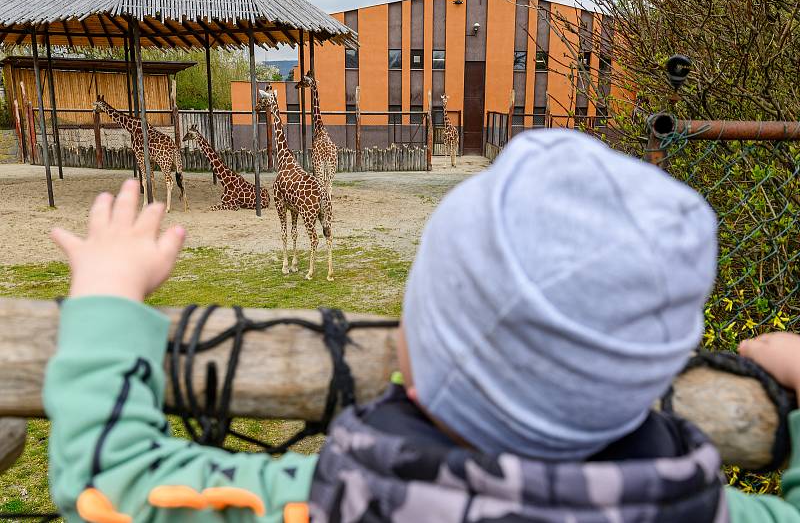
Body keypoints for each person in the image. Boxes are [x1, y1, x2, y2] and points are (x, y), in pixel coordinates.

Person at [44, 129, 800, 523]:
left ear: (410, 343)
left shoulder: (329, 499)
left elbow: (110, 483)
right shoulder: (714, 511)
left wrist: (109, 293)